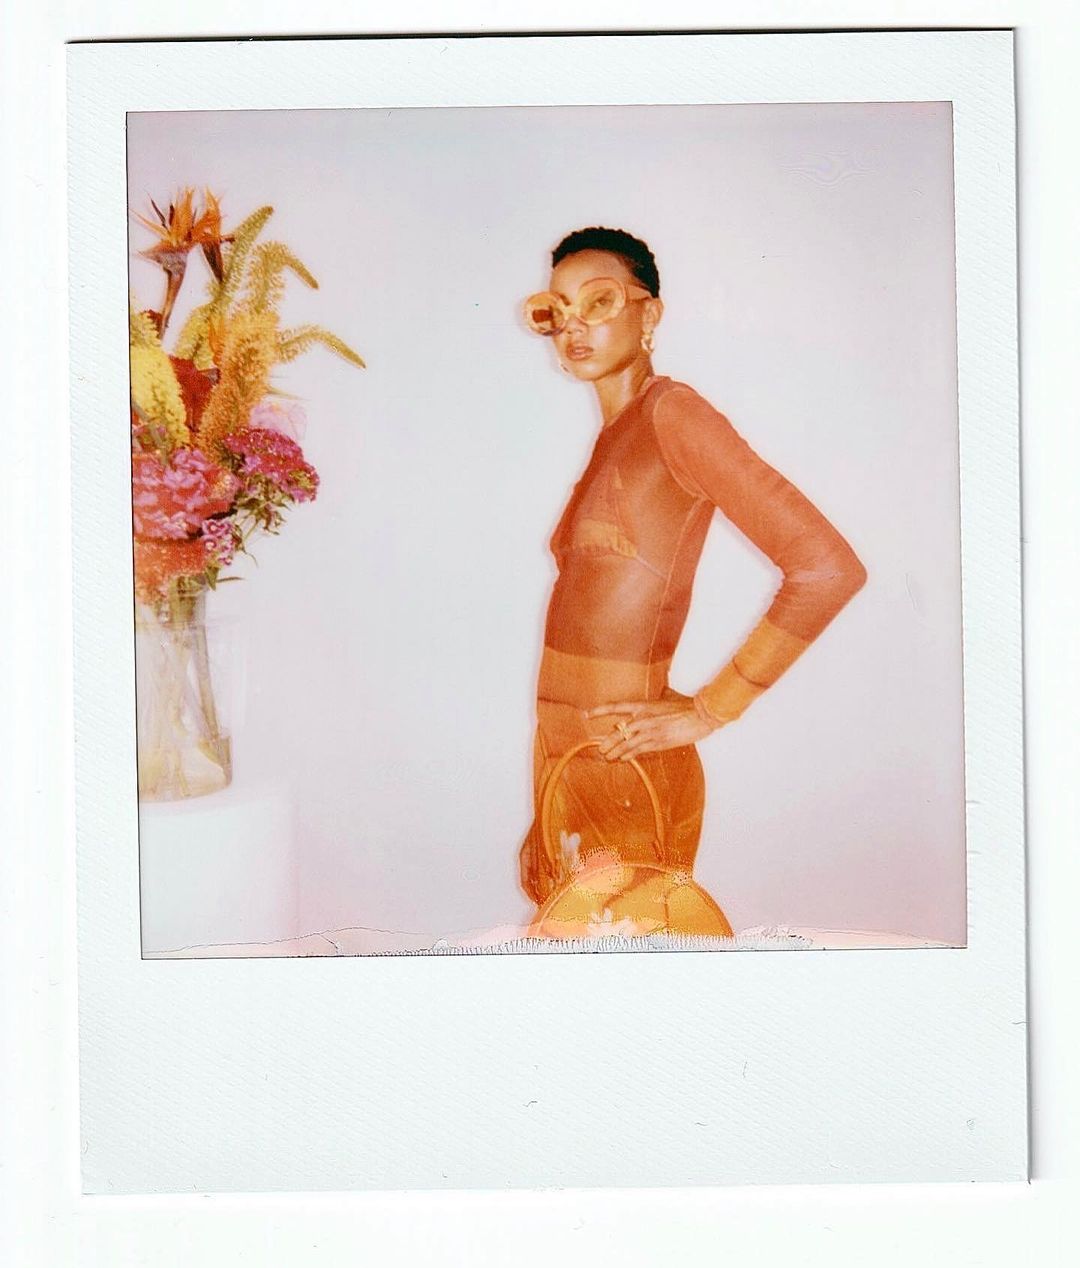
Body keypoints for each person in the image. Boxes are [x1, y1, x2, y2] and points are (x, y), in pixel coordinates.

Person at [517, 226, 868, 911]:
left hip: (627, 771)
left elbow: (827, 568)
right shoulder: (616, 434)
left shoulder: (673, 415)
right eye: (556, 310)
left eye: (598, 301)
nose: (573, 326)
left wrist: (710, 710)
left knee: (629, 967)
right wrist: (546, 802)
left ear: (649, 313)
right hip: (569, 764)